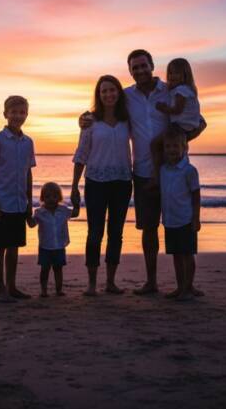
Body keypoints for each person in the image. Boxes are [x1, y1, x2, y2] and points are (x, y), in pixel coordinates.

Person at [79, 49, 206, 295]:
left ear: (151, 66)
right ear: (130, 71)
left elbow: (197, 119)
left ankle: (187, 284)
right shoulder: (126, 96)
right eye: (134, 68)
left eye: (143, 66)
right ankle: (151, 282)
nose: (139, 71)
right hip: (143, 171)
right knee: (149, 229)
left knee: (181, 225)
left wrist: (187, 135)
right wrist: (83, 118)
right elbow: (103, 108)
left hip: (175, 170)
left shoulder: (171, 90)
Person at [72, 75, 133, 296]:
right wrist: (74, 186)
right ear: (99, 95)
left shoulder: (128, 120)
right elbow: (82, 153)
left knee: (116, 233)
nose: (109, 94)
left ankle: (110, 282)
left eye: (112, 90)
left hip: (123, 182)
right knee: (95, 233)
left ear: (119, 92)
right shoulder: (90, 121)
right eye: (104, 91)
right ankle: (91, 284)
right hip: (95, 182)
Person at [0, 95, 36, 303]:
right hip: (2, 203)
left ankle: (12, 286)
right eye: (13, 112)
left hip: (19, 203)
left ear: (27, 115)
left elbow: (28, 174)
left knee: (14, 247)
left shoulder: (28, 142)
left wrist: (30, 203)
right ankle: (0, 289)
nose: (18, 116)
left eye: (22, 112)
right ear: (5, 114)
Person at [159, 126, 202, 301]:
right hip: (170, 220)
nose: (172, 150)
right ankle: (180, 287)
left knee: (187, 254)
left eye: (176, 146)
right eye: (168, 146)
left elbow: (196, 195)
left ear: (185, 148)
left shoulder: (189, 170)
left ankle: (188, 287)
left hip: (185, 219)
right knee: (176, 254)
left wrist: (196, 218)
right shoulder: (163, 169)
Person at [150, 58, 205, 183]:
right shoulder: (183, 90)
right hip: (186, 125)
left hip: (180, 126)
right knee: (176, 149)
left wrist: (163, 108)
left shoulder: (181, 90)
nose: (172, 76)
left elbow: (177, 110)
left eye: (176, 73)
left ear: (185, 75)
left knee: (155, 145)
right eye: (170, 73)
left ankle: (156, 174)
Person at [27, 182, 79, 297]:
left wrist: (76, 203)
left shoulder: (63, 210)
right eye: (47, 197)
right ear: (42, 198)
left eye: (54, 196)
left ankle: (58, 290)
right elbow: (31, 224)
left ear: (59, 198)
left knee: (58, 269)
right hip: (45, 246)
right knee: (45, 269)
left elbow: (75, 213)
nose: (51, 199)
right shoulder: (39, 212)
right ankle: (43, 290)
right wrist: (27, 213)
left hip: (60, 246)